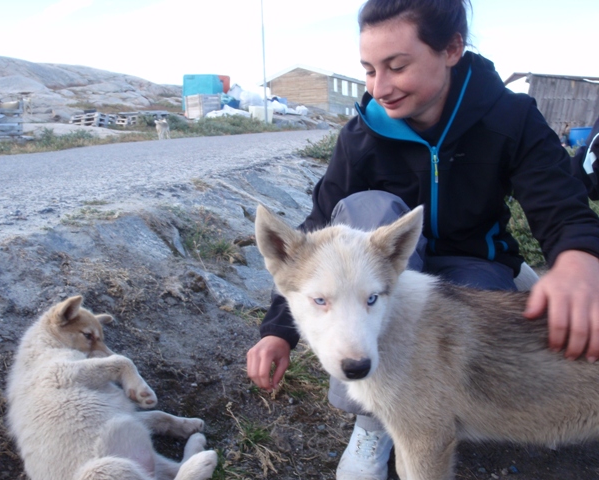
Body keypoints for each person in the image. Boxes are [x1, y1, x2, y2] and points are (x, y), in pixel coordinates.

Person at [247, 1, 599, 479]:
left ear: (452, 48)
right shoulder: (361, 135)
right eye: (369, 69)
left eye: (397, 66)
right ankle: (379, 420)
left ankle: (433, 402)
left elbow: (559, 202)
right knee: (364, 212)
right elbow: (313, 239)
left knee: (474, 343)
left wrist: (579, 260)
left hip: (471, 266)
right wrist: (277, 329)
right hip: (380, 272)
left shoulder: (510, 116)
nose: (379, 87)